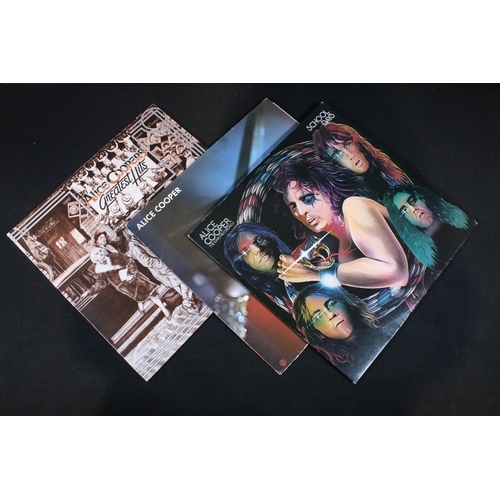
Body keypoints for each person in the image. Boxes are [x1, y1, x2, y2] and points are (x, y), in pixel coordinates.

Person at [270, 155, 409, 290]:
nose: (300, 212)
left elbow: (397, 273)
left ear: (329, 190)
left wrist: (315, 274)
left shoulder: (354, 205)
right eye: (293, 206)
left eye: (308, 199)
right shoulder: (341, 245)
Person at [313, 121, 411, 200]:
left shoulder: (386, 164)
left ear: (357, 142)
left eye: (348, 144)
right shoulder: (354, 197)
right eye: (337, 154)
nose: (350, 155)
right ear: (334, 163)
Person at [384, 184, 469, 267]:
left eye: (412, 201)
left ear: (422, 197)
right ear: (403, 220)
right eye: (405, 210)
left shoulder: (457, 216)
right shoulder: (426, 254)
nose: (414, 209)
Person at [293, 283, 378, 364]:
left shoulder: (378, 329)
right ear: (317, 332)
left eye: (332, 304)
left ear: (347, 304)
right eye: (318, 316)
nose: (331, 314)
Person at [223, 222, 298, 312]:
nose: (258, 249)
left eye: (259, 240)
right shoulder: (267, 299)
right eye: (245, 251)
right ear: (242, 263)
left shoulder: (303, 256)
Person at [82, 247, 174, 319]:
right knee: (143, 295)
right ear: (95, 259)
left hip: (134, 277)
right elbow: (100, 282)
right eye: (97, 254)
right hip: (125, 285)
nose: (101, 253)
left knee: (150, 292)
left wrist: (131, 272)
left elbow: (129, 260)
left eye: (100, 251)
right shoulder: (100, 269)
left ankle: (164, 310)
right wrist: (89, 291)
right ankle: (141, 302)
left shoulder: (114, 255)